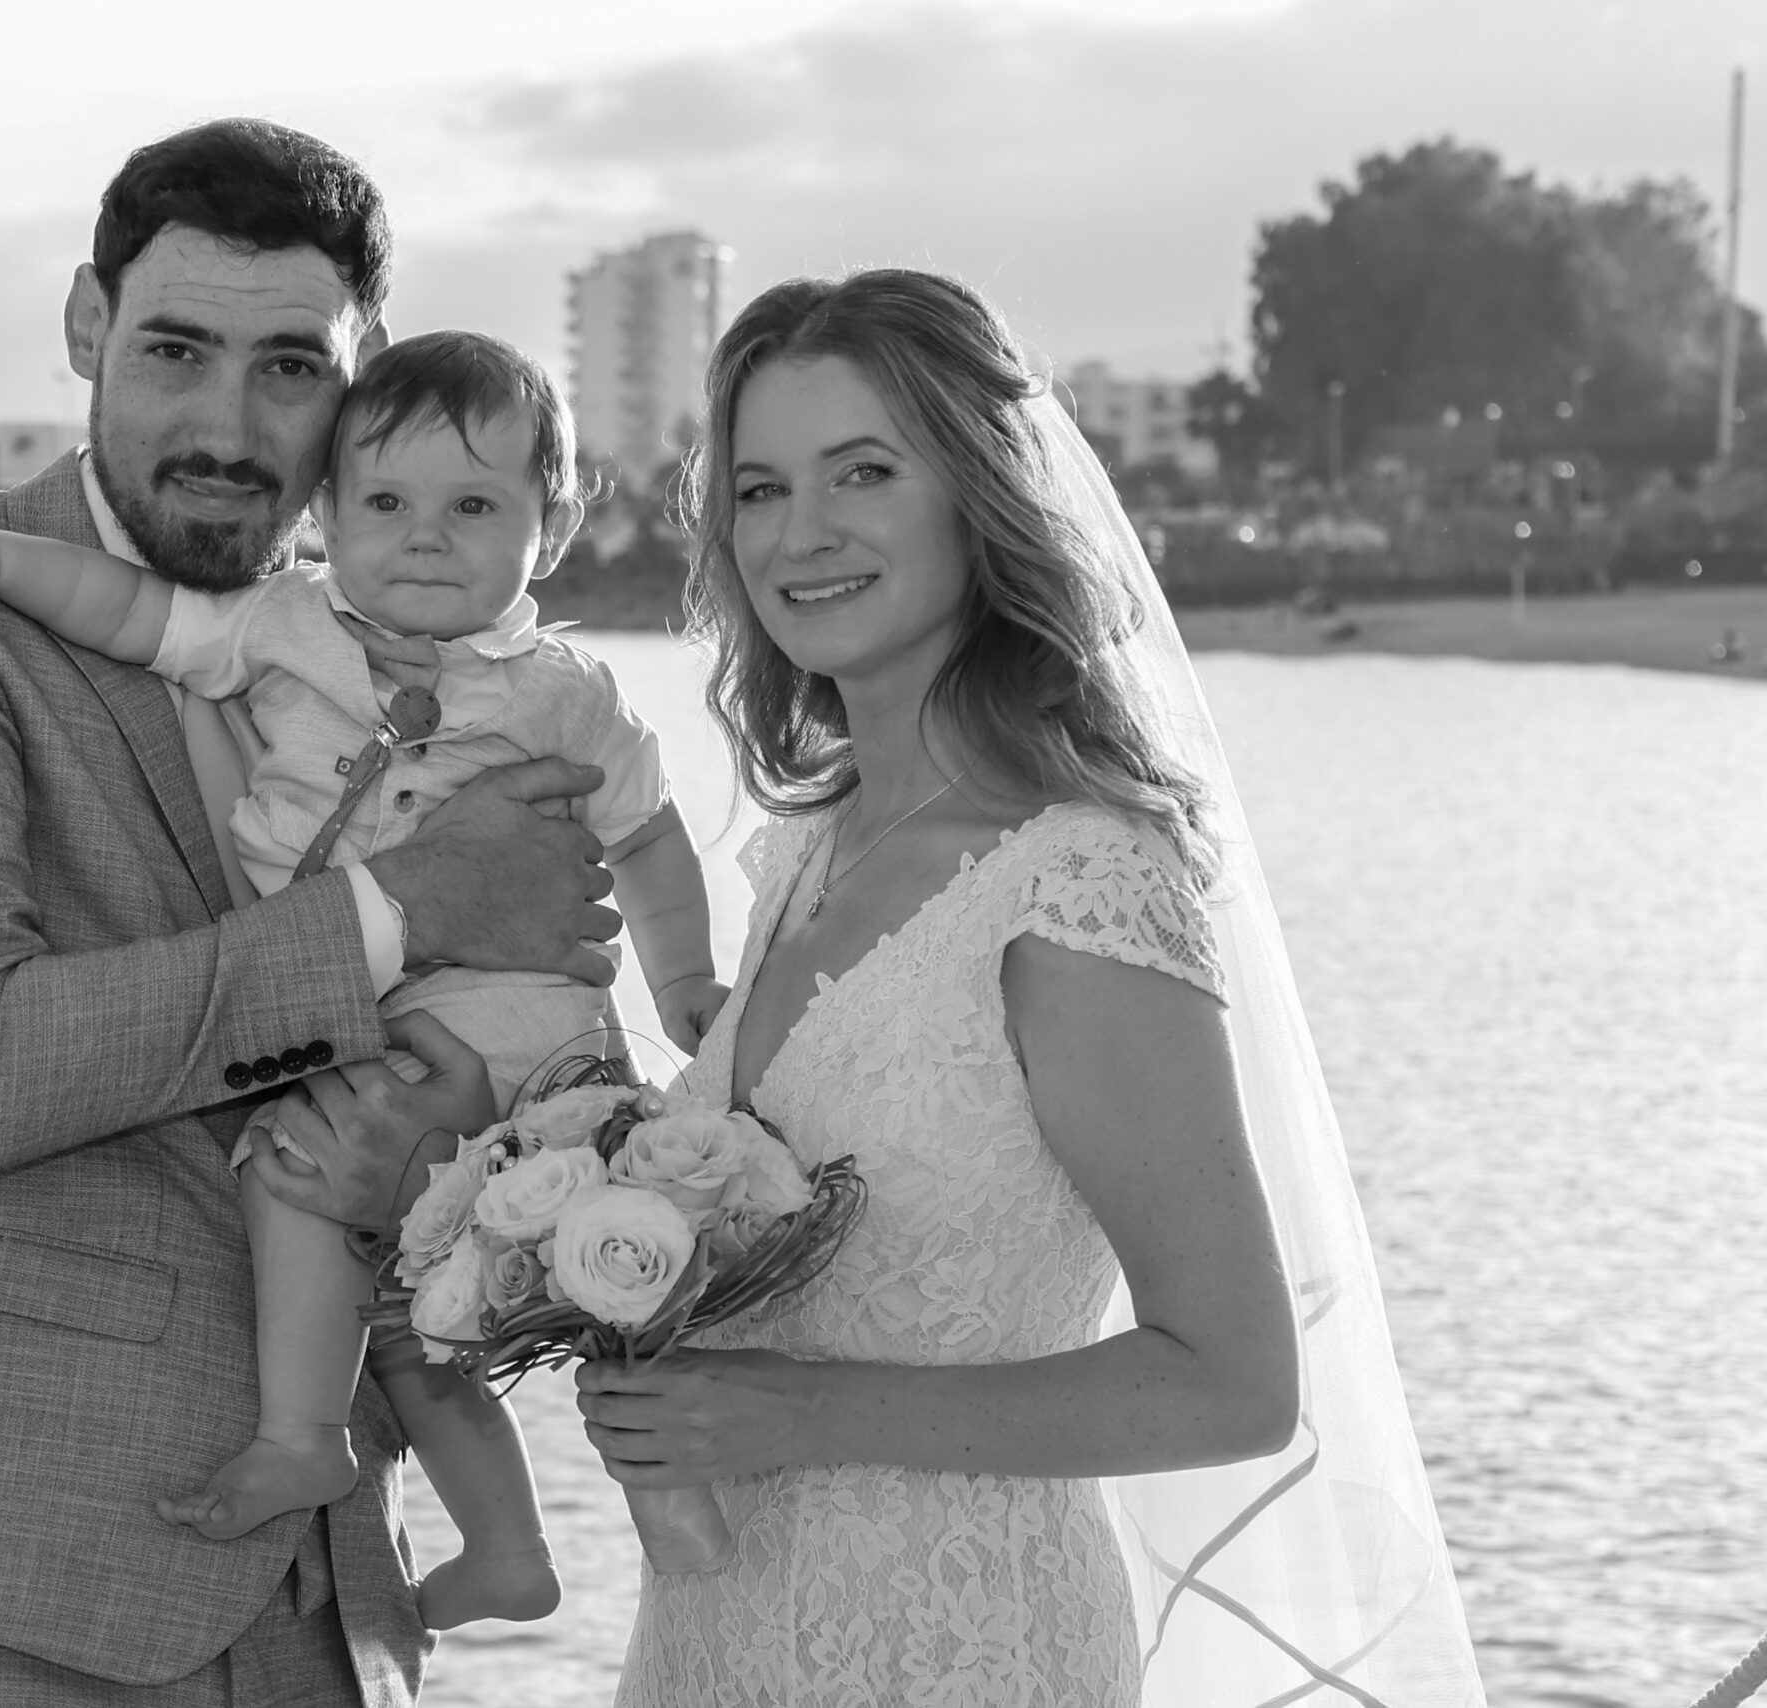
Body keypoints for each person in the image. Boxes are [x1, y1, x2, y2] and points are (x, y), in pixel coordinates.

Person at [0, 118, 620, 1708]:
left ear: (358, 381)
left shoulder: (427, 660)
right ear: (88, 325)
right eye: (175, 349)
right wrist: (405, 909)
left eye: (290, 367)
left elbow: (506, 1063)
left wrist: (471, 1127)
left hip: (335, 1613)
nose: (228, 422)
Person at [559, 271, 1487, 1705]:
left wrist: (801, 1415)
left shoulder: (1074, 880)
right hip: (717, 1643)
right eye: (759, 489)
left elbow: (1233, 1383)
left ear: (978, 495)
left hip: (967, 1646)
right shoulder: (810, 852)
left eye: (864, 471)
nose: (802, 531)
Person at [0, 327, 725, 1625]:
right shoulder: (286, 627)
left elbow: (648, 837)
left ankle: (593, 1496)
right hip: (358, 1012)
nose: (423, 538)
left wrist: (688, 986)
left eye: (473, 507)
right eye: (386, 503)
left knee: (545, 1255)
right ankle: (492, 1538)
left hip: (515, 1024)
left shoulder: (569, 692)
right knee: (398, 1277)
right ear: (325, 513)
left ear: (550, 530)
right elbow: (129, 612)